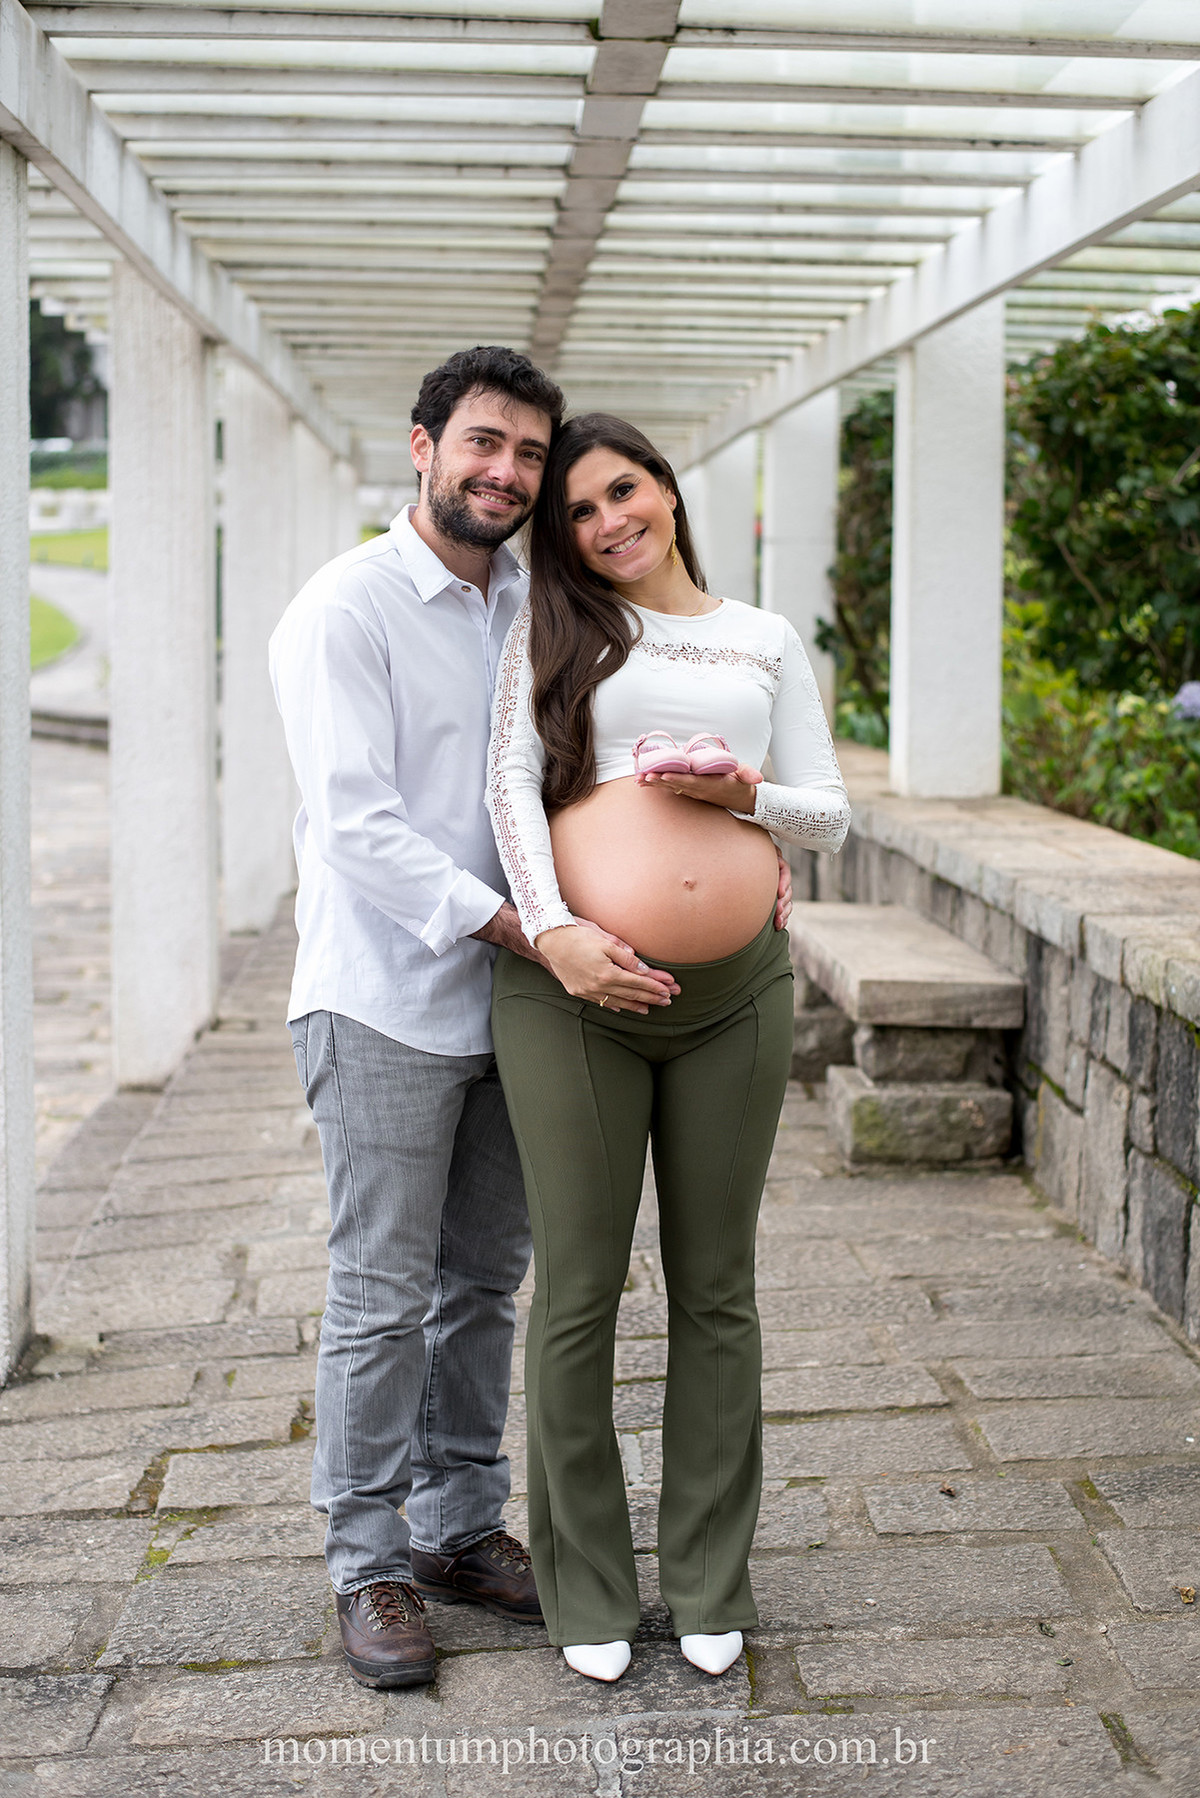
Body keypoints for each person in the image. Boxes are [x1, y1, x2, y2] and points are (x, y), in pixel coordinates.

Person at [268, 348, 682, 1690]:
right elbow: (359, 827)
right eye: (483, 444)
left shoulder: (533, 597)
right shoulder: (345, 608)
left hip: (514, 1000)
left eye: (526, 456)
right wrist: (531, 928)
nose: (505, 473)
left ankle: (454, 1528)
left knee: (480, 1287)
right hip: (386, 995)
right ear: (423, 445)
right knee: (382, 1296)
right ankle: (367, 1563)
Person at [486, 413, 850, 1684]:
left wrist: (735, 795)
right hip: (576, 998)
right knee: (579, 1292)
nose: (604, 523)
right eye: (577, 512)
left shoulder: (762, 637)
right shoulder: (553, 626)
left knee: (717, 1290)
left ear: (668, 492)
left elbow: (833, 815)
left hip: (738, 999)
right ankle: (583, 1582)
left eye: (621, 492)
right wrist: (554, 929)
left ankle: (709, 1575)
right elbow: (508, 791)